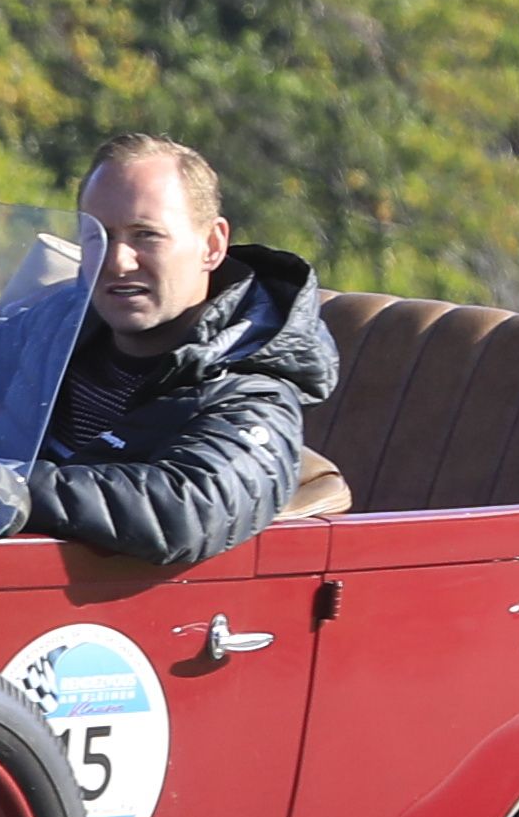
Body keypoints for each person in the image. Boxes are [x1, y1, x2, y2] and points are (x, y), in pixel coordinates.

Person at [19, 137, 335, 569]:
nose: (118, 262)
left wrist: (17, 486)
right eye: (98, 237)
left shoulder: (248, 391)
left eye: (146, 236)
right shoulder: (64, 326)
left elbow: (193, 504)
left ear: (211, 246)